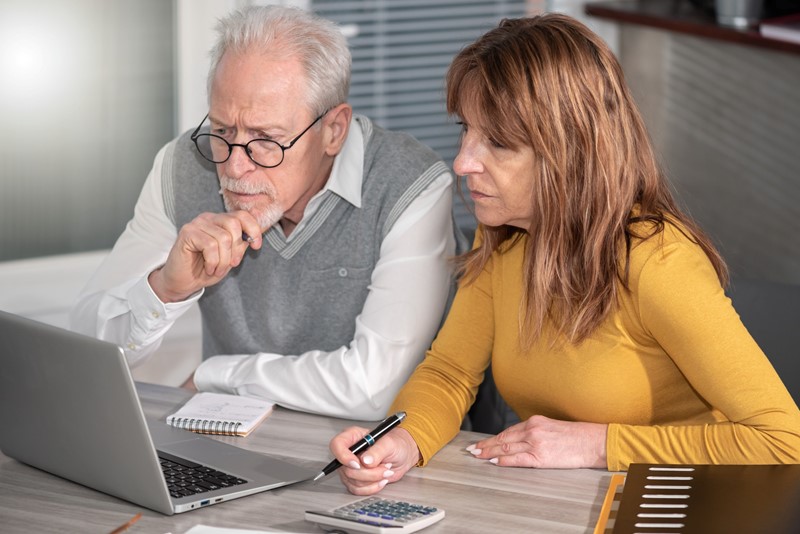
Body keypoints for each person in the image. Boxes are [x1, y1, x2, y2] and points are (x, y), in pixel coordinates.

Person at [329, 13, 800, 494]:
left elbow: (784, 438)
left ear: (569, 151)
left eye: (498, 142)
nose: (463, 161)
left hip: (689, 500)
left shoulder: (657, 262)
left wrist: (597, 446)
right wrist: (404, 439)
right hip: (573, 500)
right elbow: (450, 373)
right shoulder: (502, 238)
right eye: (466, 129)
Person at [70, 5, 464, 421]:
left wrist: (216, 375)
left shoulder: (411, 184)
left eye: (266, 139)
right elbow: (87, 353)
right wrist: (164, 288)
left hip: (377, 457)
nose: (235, 168)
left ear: (333, 130)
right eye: (223, 130)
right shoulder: (182, 165)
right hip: (225, 441)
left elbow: (375, 388)